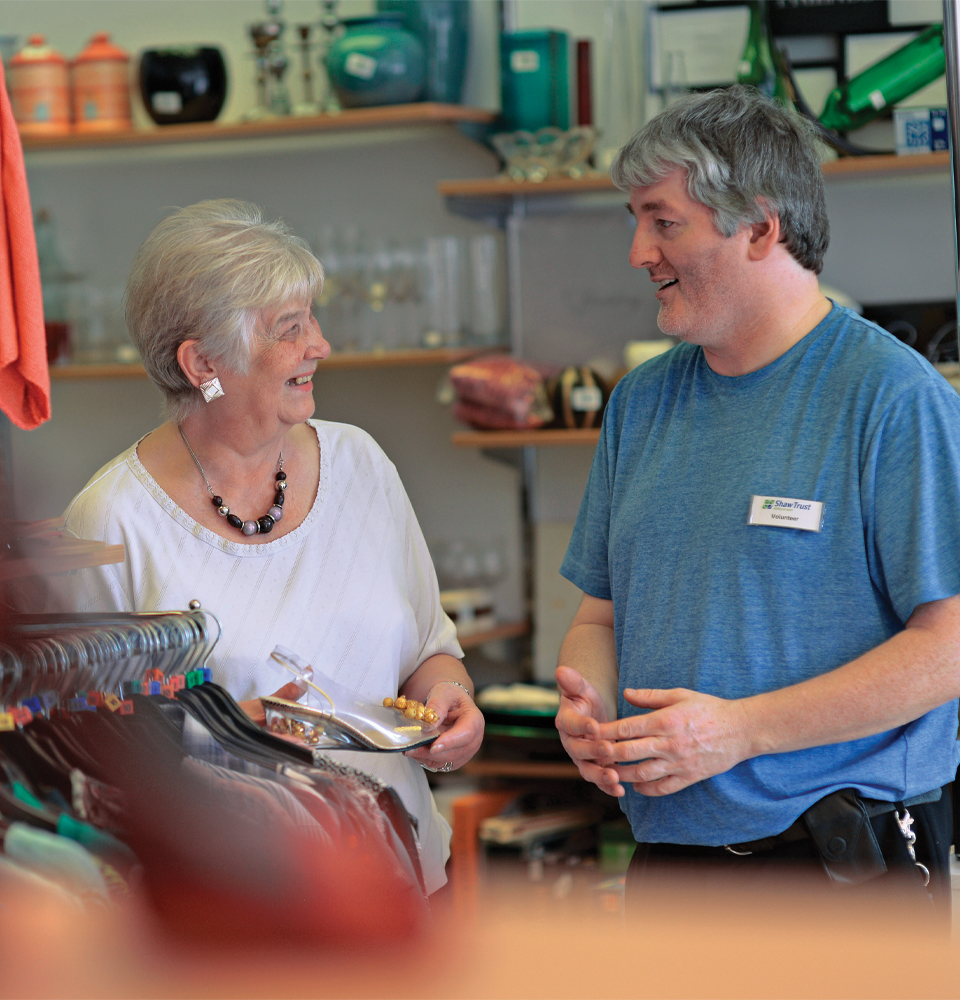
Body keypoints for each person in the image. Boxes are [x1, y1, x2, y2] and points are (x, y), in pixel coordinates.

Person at [556, 86, 960, 913]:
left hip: (843, 867)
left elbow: (948, 648)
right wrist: (590, 712)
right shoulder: (640, 402)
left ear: (761, 228)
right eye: (636, 220)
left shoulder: (891, 397)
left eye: (664, 222)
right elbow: (599, 618)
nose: (638, 252)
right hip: (671, 862)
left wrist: (742, 730)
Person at [53, 199, 484, 894]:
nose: (320, 344)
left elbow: (429, 651)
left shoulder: (360, 464)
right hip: (233, 917)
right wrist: (232, 736)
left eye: (311, 318)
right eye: (290, 329)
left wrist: (451, 701)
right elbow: (85, 761)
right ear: (202, 363)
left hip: (405, 889)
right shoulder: (111, 522)